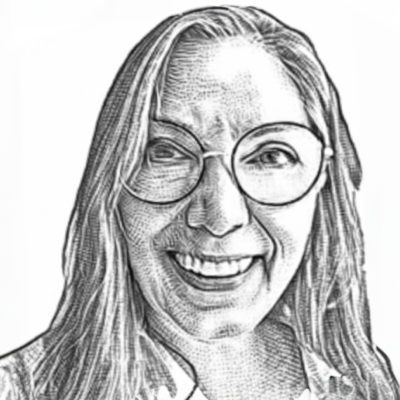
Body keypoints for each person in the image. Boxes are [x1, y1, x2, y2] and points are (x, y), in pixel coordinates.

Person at [0, 5, 399, 400]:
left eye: (270, 156)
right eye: (166, 152)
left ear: (323, 179)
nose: (221, 216)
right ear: (112, 181)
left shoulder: (361, 386)